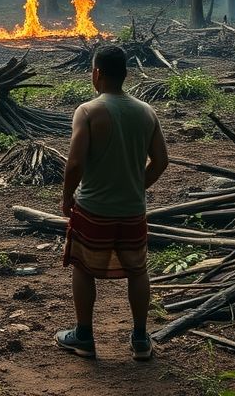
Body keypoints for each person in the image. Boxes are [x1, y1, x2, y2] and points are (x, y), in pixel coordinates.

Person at [55, 44, 169, 361]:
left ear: (97, 74)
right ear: (125, 74)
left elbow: (75, 163)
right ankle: (141, 339)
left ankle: (84, 336)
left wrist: (67, 197)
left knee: (82, 267)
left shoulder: (88, 111)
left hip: (93, 209)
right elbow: (161, 161)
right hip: (132, 210)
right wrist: (135, 186)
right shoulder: (146, 112)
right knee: (138, 270)